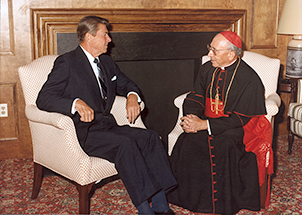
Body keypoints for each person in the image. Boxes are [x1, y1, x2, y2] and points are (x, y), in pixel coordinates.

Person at [36, 15, 177, 215]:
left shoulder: (106, 63)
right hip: (82, 132)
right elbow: (44, 98)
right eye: (105, 35)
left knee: (150, 137)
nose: (109, 40)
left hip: (106, 126)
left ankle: (162, 206)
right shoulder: (67, 62)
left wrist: (131, 96)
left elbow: (127, 83)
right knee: (125, 144)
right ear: (89, 37)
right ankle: (145, 209)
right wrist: (75, 103)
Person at [167, 31, 272, 214]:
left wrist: (205, 125)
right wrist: (192, 118)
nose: (209, 55)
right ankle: (188, 198)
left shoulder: (249, 78)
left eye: (214, 51)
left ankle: (221, 204)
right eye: (210, 49)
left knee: (224, 144)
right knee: (187, 140)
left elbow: (242, 117)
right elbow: (196, 96)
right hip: (207, 120)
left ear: (231, 54)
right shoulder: (208, 69)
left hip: (237, 127)